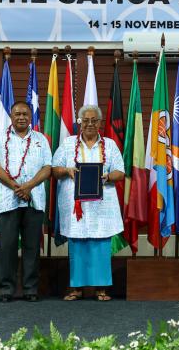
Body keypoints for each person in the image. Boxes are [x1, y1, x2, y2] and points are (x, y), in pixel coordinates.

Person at [52, 105, 125, 301]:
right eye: (86, 121)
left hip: (102, 208)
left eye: (94, 120)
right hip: (76, 207)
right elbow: (54, 170)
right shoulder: (67, 144)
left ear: (100, 123)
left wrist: (108, 176)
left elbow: (121, 172)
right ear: (80, 123)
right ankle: (76, 288)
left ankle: (101, 288)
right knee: (78, 245)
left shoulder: (109, 145)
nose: (90, 124)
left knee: (100, 245)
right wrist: (67, 171)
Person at [0, 101, 52, 302]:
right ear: (11, 117)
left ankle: (31, 289)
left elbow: (47, 168)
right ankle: (6, 290)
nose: (21, 117)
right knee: (7, 247)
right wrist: (17, 187)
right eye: (17, 114)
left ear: (31, 117)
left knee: (32, 247)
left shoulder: (41, 140)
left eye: (25, 114)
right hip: (7, 202)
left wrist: (28, 186)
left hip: (34, 201)